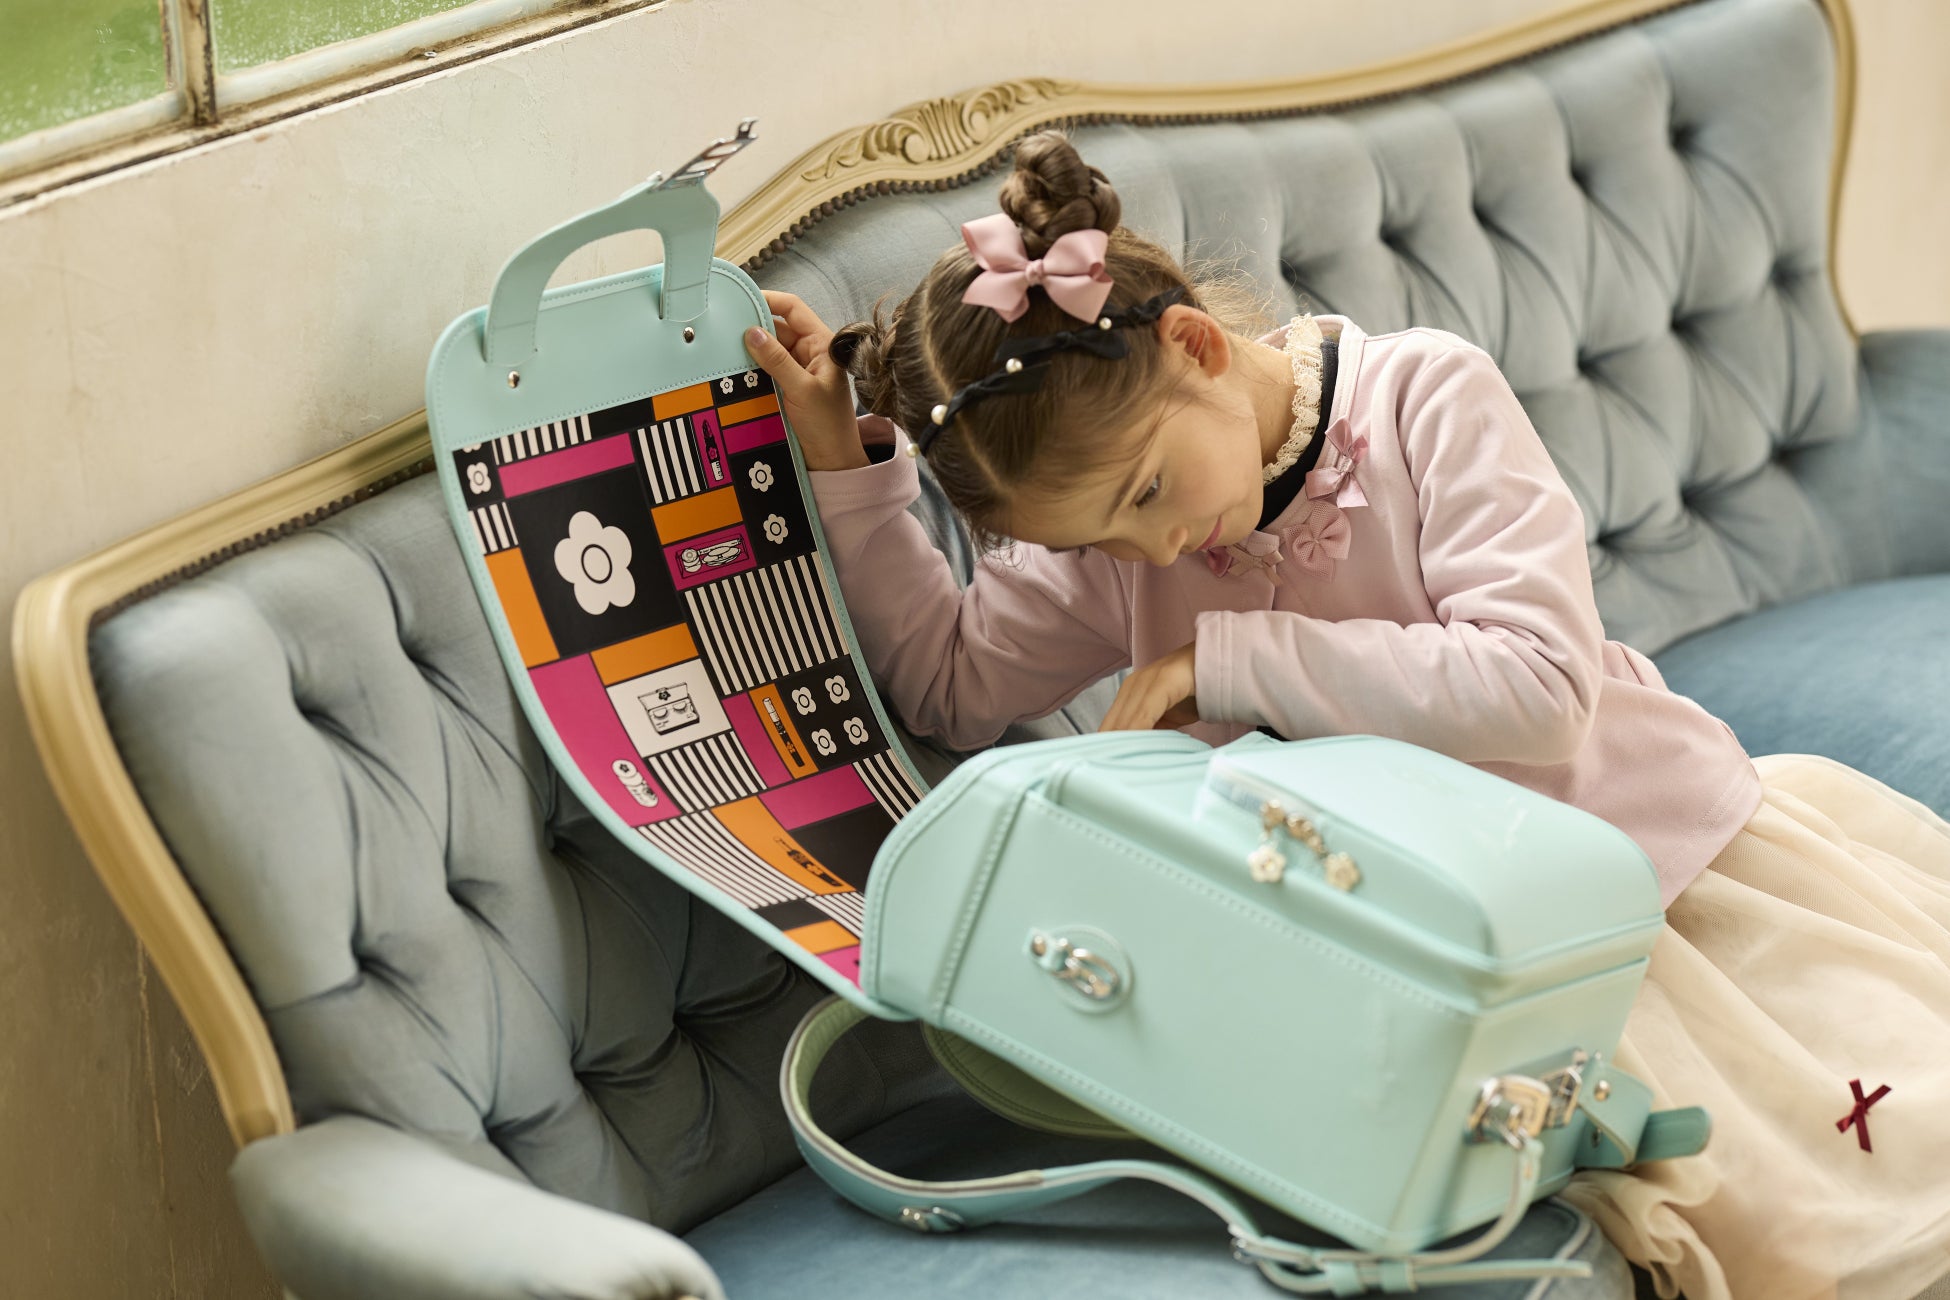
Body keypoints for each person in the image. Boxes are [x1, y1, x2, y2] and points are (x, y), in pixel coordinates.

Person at [741, 131, 1950, 1300]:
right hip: (1414, 954)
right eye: (1097, 538)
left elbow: (1540, 687)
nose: (1153, 549)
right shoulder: (1125, 542)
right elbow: (949, 684)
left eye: (1149, 493)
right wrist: (845, 467)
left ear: (1196, 344)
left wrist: (1231, 660)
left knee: (1829, 1216)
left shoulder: (1424, 396)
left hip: (1632, 878)